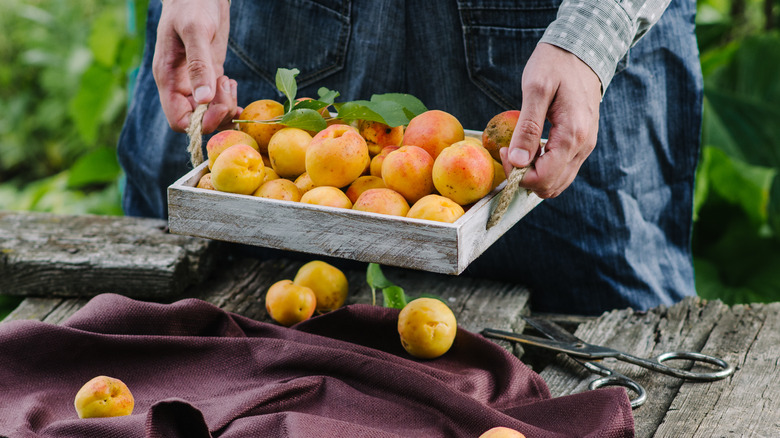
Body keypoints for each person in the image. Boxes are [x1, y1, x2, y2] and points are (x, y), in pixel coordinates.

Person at [118, 0, 702, 315]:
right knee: (187, 330)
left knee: (614, 340)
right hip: (275, 25)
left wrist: (590, 36)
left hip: (557, 45)